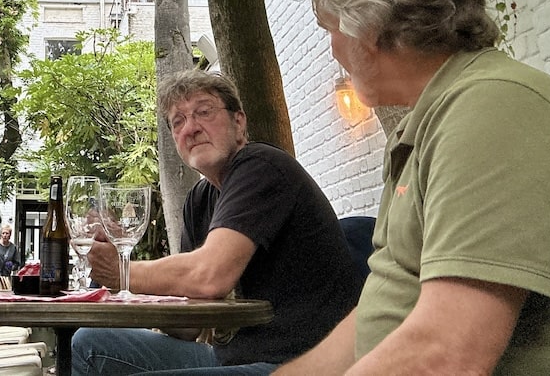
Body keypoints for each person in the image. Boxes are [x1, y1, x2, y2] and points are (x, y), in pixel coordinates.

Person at [183, 0, 550, 376]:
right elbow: (376, 322)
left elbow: (448, 354)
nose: (333, 50)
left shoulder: (496, 110)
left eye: (330, 30)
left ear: (367, 25)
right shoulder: (424, 129)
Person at [72, 69, 358, 376]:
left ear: (239, 123)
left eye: (204, 112)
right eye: (177, 121)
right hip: (230, 359)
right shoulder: (199, 200)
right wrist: (118, 249)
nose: (190, 128)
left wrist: (122, 271)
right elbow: (189, 326)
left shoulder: (261, 166)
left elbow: (210, 276)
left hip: (296, 363)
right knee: (89, 342)